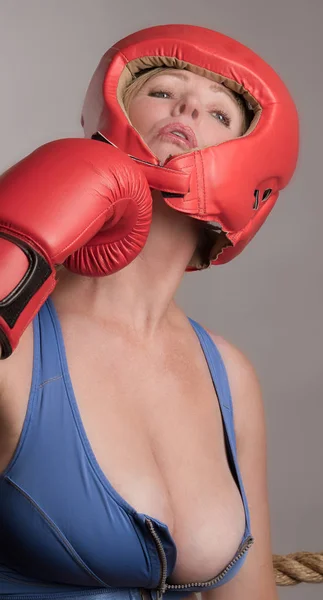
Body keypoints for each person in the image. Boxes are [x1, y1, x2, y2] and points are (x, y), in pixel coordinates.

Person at [0, 24, 298, 600]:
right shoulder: (21, 342)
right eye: (164, 89)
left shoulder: (230, 376)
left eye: (220, 113)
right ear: (113, 115)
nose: (188, 105)